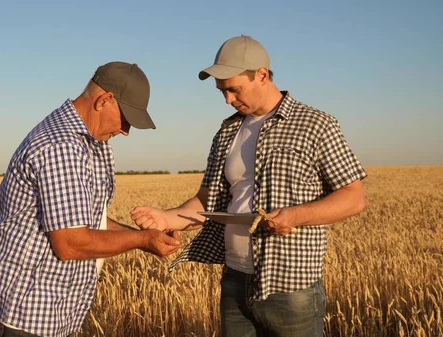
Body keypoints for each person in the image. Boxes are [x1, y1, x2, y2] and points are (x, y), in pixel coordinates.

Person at [131, 35, 367, 337]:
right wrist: (165, 218)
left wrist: (295, 216)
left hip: (290, 285)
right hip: (234, 280)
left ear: (262, 75)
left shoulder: (316, 124)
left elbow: (354, 198)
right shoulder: (227, 131)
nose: (228, 99)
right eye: (222, 91)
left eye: (234, 89)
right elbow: (207, 201)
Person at [0, 61, 182, 337]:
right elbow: (70, 242)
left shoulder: (87, 141)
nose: (126, 131)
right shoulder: (62, 146)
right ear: (104, 100)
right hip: (26, 310)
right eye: (126, 120)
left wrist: (147, 235)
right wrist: (143, 240)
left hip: (48, 309)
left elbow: (87, 220)